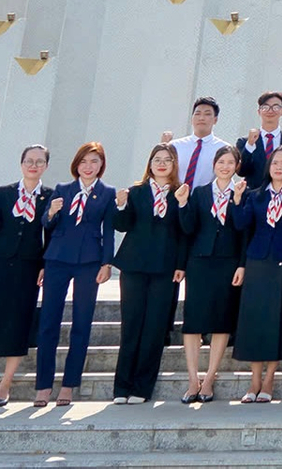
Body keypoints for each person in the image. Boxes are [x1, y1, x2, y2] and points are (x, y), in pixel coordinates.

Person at [33, 141, 114, 407]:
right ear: (76, 164)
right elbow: (47, 224)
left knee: (82, 322)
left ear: (101, 165)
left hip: (89, 260)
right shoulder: (62, 189)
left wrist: (107, 263)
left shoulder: (107, 193)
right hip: (58, 258)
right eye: (84, 162)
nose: (88, 167)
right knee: (49, 322)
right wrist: (51, 212)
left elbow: (109, 230)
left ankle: (69, 385)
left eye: (94, 162)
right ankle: (43, 385)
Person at [0, 145, 52, 408]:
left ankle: (6, 383)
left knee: (19, 322)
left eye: (39, 162)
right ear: (21, 163)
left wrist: (44, 265)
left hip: (28, 266)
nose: (33, 166)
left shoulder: (49, 196)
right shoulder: (3, 193)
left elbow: (50, 233)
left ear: (45, 166)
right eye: (29, 161)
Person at [109, 143, 184, 405]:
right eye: (157, 159)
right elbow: (122, 225)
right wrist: (121, 206)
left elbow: (185, 231)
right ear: (150, 164)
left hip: (165, 268)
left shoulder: (180, 193)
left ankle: (142, 387)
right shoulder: (136, 192)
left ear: (174, 165)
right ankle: (121, 387)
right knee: (131, 326)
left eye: (167, 159)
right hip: (134, 266)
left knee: (154, 328)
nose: (161, 164)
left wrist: (181, 265)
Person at [235, 144, 282, 402]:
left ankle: (269, 380)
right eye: (275, 162)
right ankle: (254, 380)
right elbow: (242, 225)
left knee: (279, 320)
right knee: (255, 320)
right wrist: (237, 200)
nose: (279, 167)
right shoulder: (255, 195)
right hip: (257, 261)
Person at [177, 145, 245, 404]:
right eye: (221, 162)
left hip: (228, 262)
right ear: (214, 164)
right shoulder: (200, 192)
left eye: (230, 163)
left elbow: (243, 231)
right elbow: (188, 228)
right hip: (199, 261)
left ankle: (209, 378)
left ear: (236, 166)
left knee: (221, 320)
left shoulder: (243, 192)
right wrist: (183, 204)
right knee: (193, 321)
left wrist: (242, 264)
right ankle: (192, 379)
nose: (225, 167)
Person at [168, 97, 231, 189]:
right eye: (197, 114)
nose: (201, 118)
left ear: (215, 120)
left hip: (206, 197)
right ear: (192, 118)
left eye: (207, 114)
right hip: (174, 195)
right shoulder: (175, 146)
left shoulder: (224, 149)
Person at [238, 90, 282, 184]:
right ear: (259, 111)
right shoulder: (245, 142)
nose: (270, 111)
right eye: (265, 107)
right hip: (253, 192)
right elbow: (241, 171)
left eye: (276, 107)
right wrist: (249, 145)